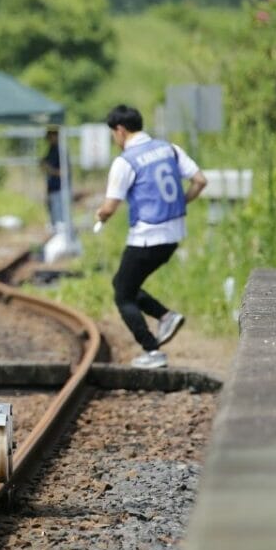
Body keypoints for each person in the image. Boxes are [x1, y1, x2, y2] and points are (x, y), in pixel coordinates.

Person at [94, 105, 207, 369]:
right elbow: (200, 180)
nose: (114, 139)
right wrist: (180, 204)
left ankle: (152, 350)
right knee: (125, 284)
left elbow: (110, 207)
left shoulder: (126, 160)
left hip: (147, 236)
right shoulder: (169, 148)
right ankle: (166, 316)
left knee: (123, 294)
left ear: (120, 130)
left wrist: (100, 216)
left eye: (113, 134)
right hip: (173, 235)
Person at [40, 128, 64, 228]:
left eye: (50, 137)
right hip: (52, 189)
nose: (49, 140)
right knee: (53, 220)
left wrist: (48, 168)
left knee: (60, 221)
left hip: (60, 189)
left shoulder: (60, 151)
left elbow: (63, 172)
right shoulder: (52, 149)